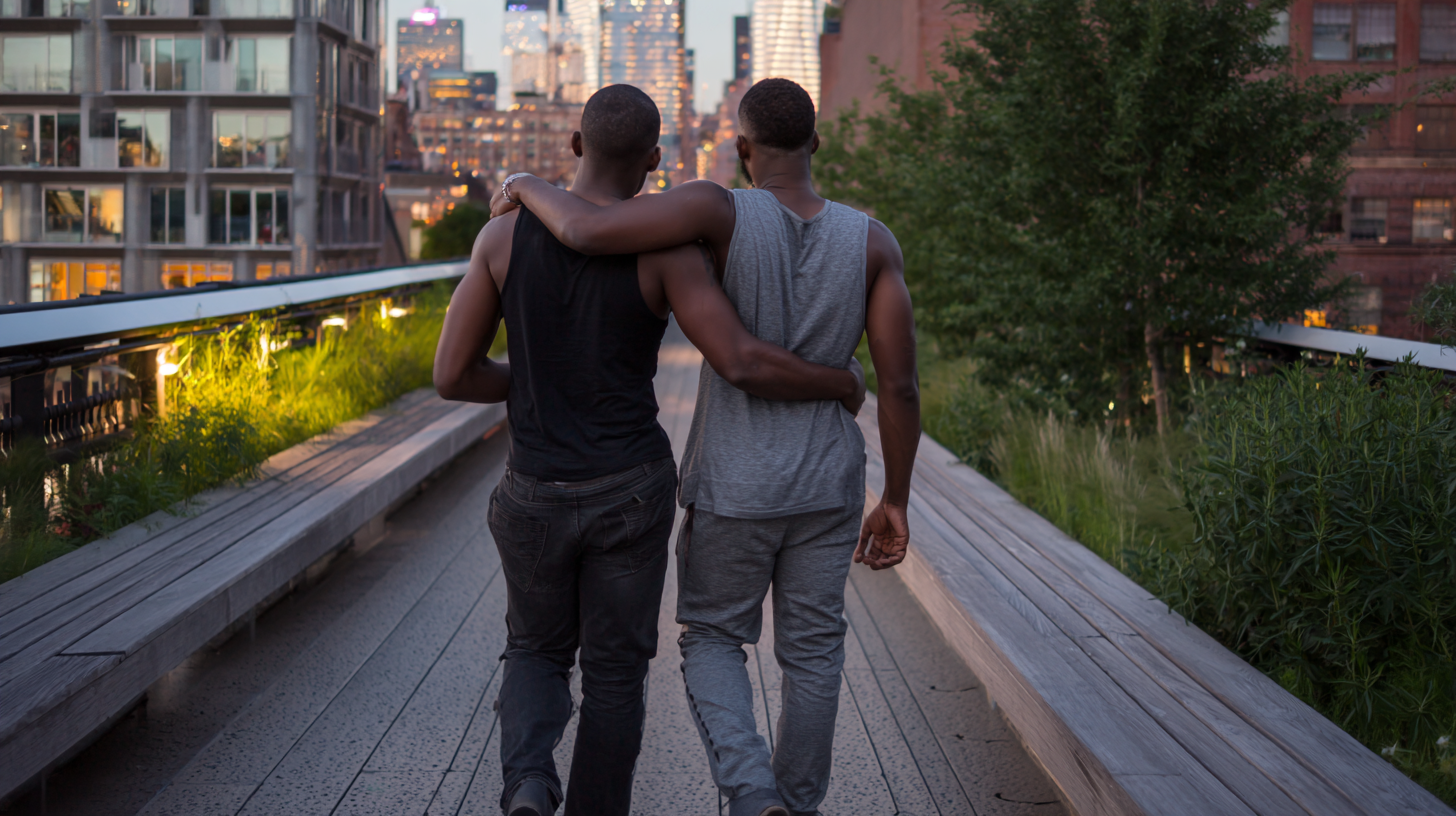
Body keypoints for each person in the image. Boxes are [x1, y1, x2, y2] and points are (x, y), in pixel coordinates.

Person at [432, 83, 867, 816]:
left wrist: (538, 377)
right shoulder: (667, 250)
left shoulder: (501, 239)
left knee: (534, 648)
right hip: (629, 485)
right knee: (615, 671)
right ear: (655, 160)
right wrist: (843, 382)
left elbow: (451, 375)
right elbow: (738, 356)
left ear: (576, 144)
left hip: (533, 485)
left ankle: (528, 783)